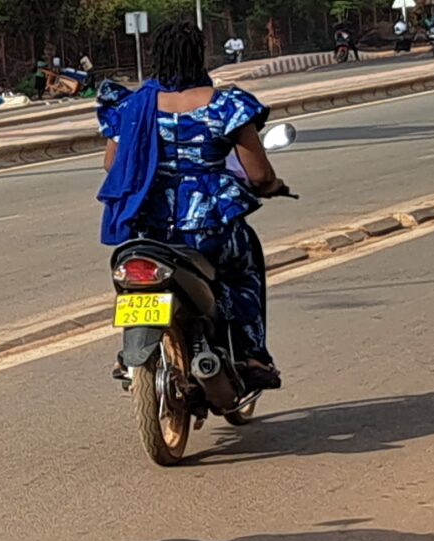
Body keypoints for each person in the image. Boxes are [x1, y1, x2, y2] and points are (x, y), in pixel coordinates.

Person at [96, 23, 290, 392]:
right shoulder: (227, 105)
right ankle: (251, 356)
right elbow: (260, 174)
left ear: (157, 57)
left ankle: (130, 354)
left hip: (150, 227)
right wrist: (272, 186)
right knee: (242, 270)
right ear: (199, 56)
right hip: (209, 225)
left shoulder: (132, 107)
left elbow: (113, 166)